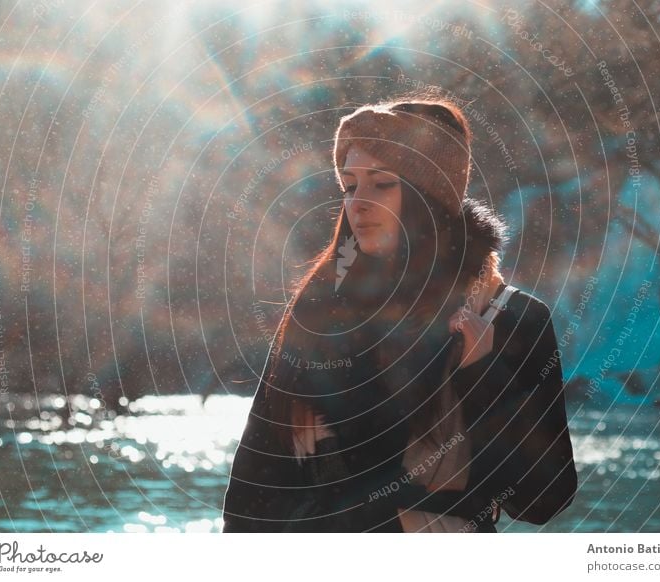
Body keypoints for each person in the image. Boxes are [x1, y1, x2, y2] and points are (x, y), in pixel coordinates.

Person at [222, 96, 577, 533]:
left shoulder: (511, 318)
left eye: (382, 183)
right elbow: (248, 498)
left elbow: (542, 500)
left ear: (431, 197)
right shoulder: (315, 317)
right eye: (350, 185)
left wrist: (482, 374)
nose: (359, 202)